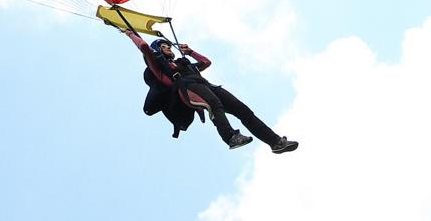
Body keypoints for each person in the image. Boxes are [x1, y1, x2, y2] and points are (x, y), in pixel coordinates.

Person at [121, 28, 299, 154]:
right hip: (186, 88)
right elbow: (144, 47)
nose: (168, 47)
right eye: (164, 46)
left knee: (243, 110)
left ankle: (275, 142)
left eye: (168, 45)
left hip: (206, 85)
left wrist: (190, 52)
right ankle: (230, 137)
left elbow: (206, 62)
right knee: (214, 104)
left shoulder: (185, 64)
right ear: (158, 50)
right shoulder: (159, 67)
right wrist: (130, 33)